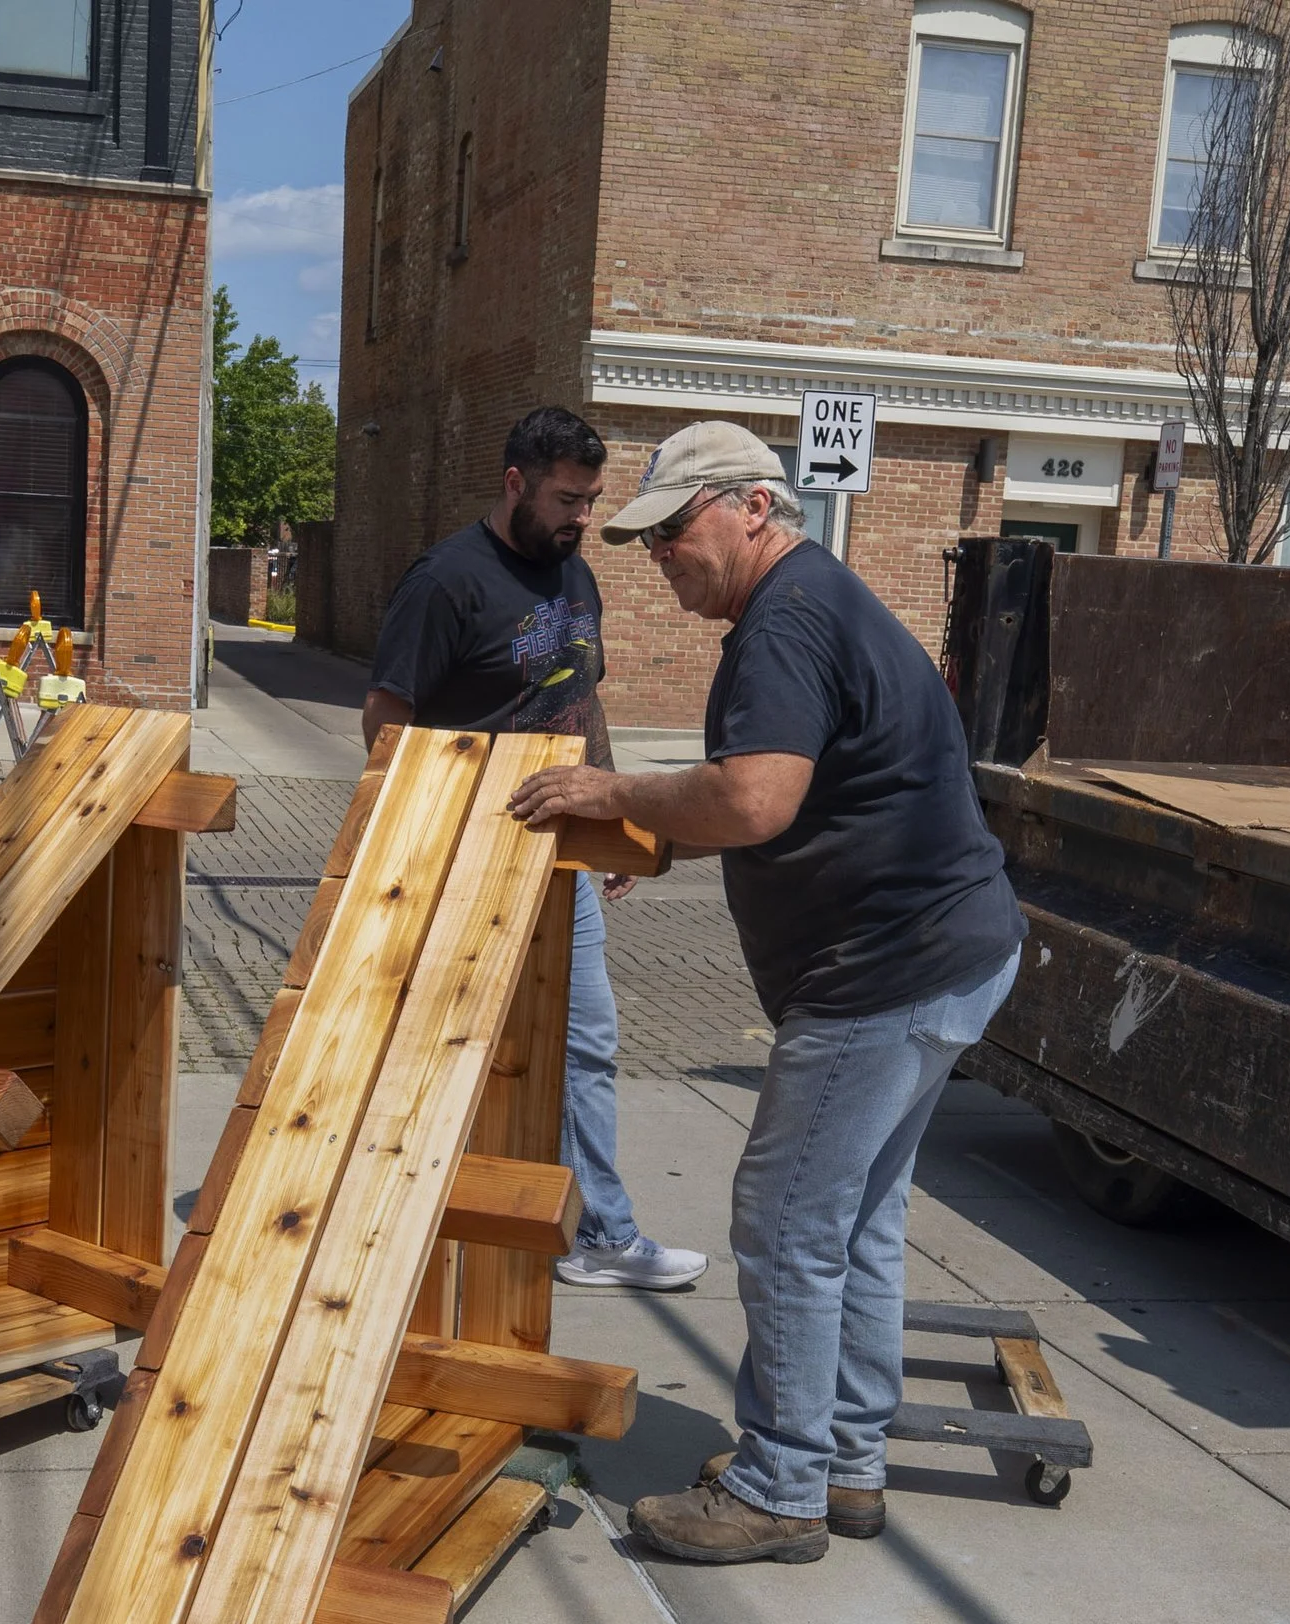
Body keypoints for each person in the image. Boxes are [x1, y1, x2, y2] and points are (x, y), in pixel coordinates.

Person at [508, 421, 1025, 1564]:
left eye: (675, 532)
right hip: (952, 953)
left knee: (786, 1219)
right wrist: (650, 838)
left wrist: (613, 791)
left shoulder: (786, 618)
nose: (661, 559)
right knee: (857, 1216)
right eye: (643, 543)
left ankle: (780, 1484)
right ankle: (843, 1461)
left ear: (750, 507)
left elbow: (752, 800)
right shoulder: (816, 600)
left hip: (881, 974)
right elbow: (804, 798)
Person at [365, 406, 707, 1292]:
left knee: (584, 1042)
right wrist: (416, 835)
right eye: (567, 498)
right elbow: (386, 718)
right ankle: (386, 1217)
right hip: (459, 860)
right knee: (438, 1043)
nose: (581, 518)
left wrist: (612, 816)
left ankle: (598, 1233)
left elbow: (581, 700)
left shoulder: (576, 579)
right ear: (514, 482)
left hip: (562, 867)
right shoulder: (447, 582)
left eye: (591, 501)